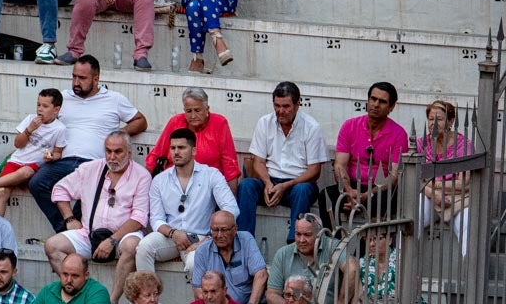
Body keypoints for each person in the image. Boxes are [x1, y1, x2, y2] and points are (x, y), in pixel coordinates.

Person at [28, 56, 147, 233]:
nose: (76, 82)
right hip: (63, 160)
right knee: (37, 183)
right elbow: (43, 121)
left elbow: (141, 121)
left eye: (82, 78)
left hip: (96, 163)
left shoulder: (114, 99)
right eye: (74, 76)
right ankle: (68, 230)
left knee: (88, 194)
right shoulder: (61, 98)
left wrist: (118, 136)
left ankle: (76, 234)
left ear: (96, 79)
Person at [45, 130, 150, 304]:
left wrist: (112, 240)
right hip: (89, 234)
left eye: (118, 152)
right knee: (52, 245)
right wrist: (69, 218)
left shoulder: (142, 176)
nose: (112, 156)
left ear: (129, 153)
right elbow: (60, 189)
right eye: (108, 151)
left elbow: (139, 217)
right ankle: (83, 295)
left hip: (123, 236)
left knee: (132, 246)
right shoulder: (91, 168)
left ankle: (112, 302)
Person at [137, 128, 240, 278]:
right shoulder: (159, 180)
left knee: (194, 263)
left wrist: (212, 236)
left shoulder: (211, 175)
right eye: (173, 148)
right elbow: (156, 219)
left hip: (200, 237)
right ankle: (147, 298)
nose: (176, 152)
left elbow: (231, 208)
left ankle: (199, 302)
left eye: (181, 147)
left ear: (193, 151)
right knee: (144, 247)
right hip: (170, 236)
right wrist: (174, 233)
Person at [237, 81, 328, 240]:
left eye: (286, 106)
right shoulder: (264, 122)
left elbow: (314, 171)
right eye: (277, 106)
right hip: (270, 181)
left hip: (299, 183)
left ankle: (294, 245)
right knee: (246, 186)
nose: (280, 111)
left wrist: (286, 185)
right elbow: (258, 161)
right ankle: (244, 242)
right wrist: (267, 183)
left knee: (302, 190)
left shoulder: (311, 127)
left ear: (297, 104)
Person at [324, 81, 409, 228]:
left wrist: (366, 196)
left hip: (379, 190)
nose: (376, 105)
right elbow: (339, 165)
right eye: (373, 99)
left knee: (384, 200)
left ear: (392, 107)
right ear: (367, 100)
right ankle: (333, 243)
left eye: (382, 101)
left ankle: (370, 248)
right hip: (351, 185)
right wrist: (348, 191)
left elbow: (394, 176)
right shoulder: (349, 126)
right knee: (326, 195)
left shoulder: (399, 134)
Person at [145, 89, 240, 201]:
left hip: (207, 187)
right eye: (189, 111)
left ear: (207, 109)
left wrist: (231, 197)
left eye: (197, 110)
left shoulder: (219, 123)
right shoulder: (175, 122)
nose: (193, 115)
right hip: (174, 184)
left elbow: (229, 162)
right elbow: (156, 154)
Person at [0, 89, 67, 216]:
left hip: (33, 167)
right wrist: (29, 130)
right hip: (16, 161)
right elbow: (18, 144)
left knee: (26, 171)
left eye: (45, 106)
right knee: (2, 193)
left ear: (56, 110)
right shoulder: (30, 119)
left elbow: (59, 153)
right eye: (38, 105)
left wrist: (52, 157)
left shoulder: (59, 129)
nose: (40, 109)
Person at [417, 98, 473, 256]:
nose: (433, 123)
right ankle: (401, 266)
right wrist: (432, 193)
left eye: (439, 119)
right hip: (430, 195)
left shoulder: (464, 145)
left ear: (450, 121)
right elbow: (415, 178)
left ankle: (468, 273)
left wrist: (433, 186)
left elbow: (463, 182)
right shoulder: (421, 144)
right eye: (430, 119)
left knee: (466, 224)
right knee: (414, 217)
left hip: (457, 197)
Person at [192, 211, 268, 304]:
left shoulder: (246, 240)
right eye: (215, 230)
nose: (219, 235)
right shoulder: (202, 251)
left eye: (224, 230)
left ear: (235, 229)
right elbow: (198, 291)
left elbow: (261, 275)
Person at [266, 213, 337, 304]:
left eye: (307, 235)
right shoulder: (283, 253)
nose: (301, 240)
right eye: (298, 234)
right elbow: (272, 294)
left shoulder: (333, 247)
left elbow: (353, 269)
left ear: (319, 235)